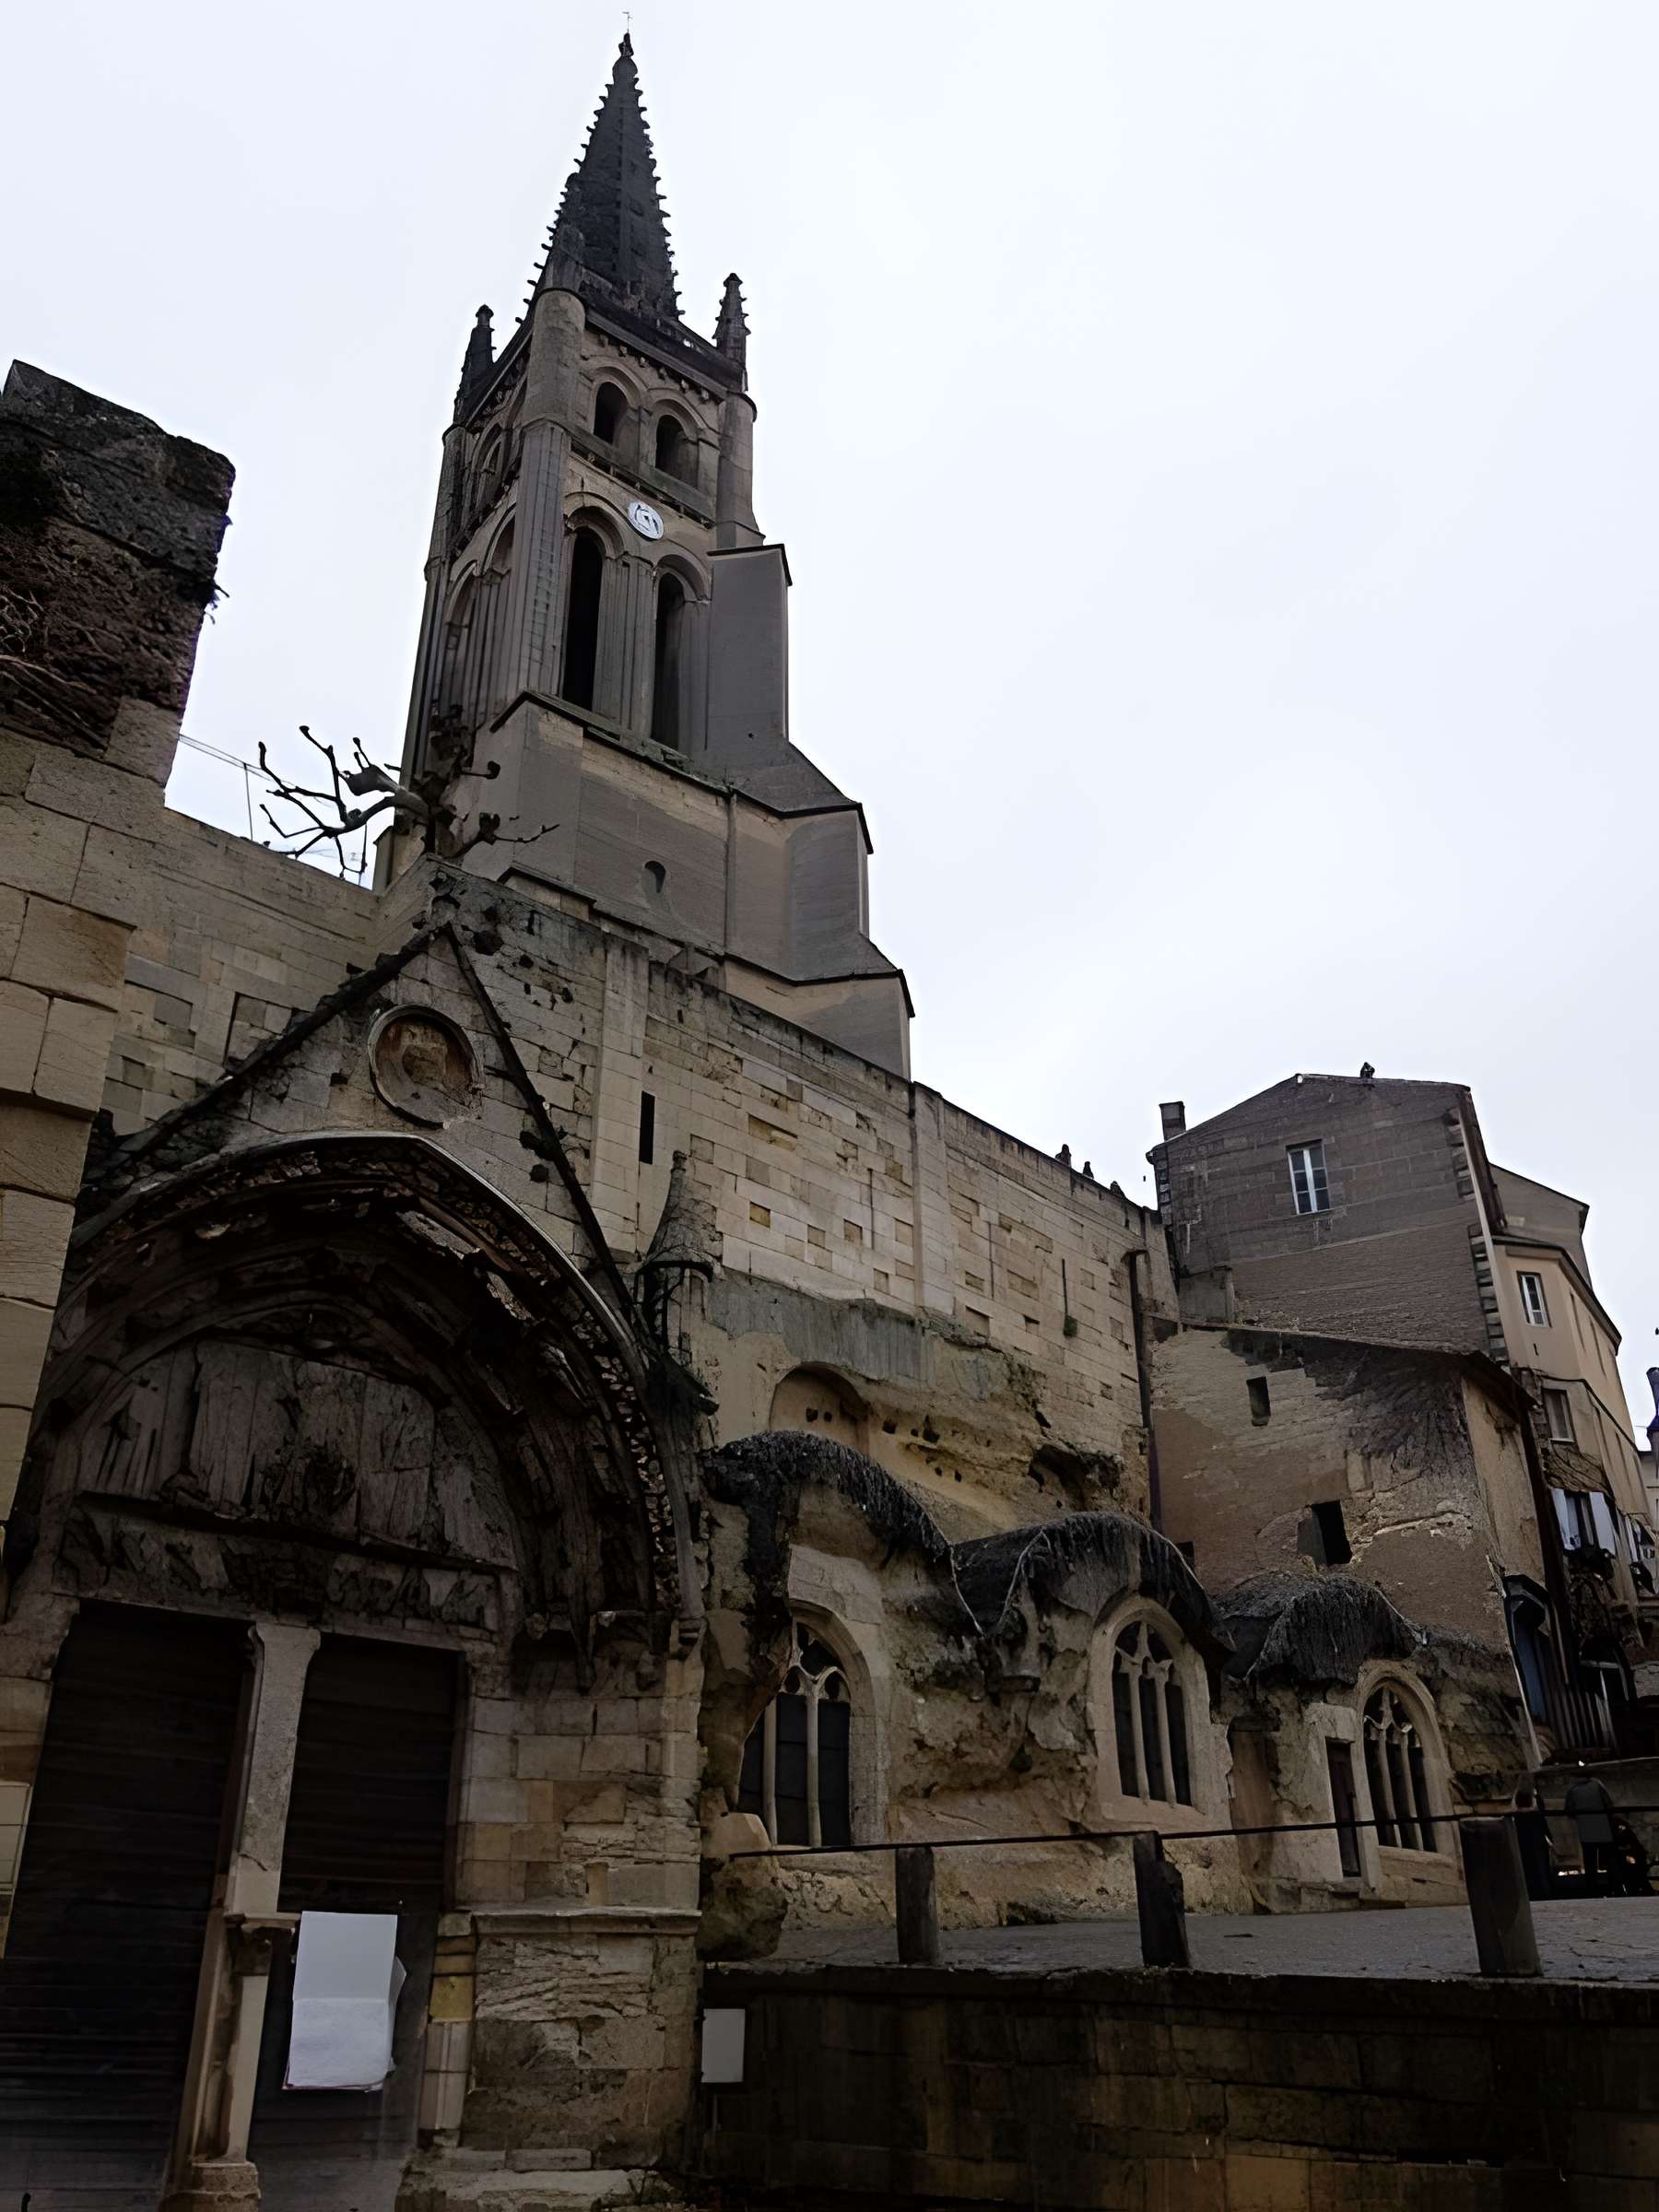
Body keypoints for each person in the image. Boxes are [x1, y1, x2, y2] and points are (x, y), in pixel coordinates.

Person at [1563, 1763, 1618, 1895]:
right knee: (1610, 1861)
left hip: (1586, 1830)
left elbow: (1569, 1811)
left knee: (1590, 1862)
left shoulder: (1572, 1791)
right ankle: (1615, 1887)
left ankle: (1593, 1890)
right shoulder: (1597, 1787)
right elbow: (1609, 1805)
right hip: (1603, 1828)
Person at [1512, 1783, 1554, 1900]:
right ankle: (1544, 1892)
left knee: (1527, 1868)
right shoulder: (1535, 1815)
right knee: (1541, 1867)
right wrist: (1550, 1839)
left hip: (1523, 1843)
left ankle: (1531, 1892)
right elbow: (1543, 1826)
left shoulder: (1516, 1816)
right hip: (1537, 1842)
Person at [1611, 1817, 1653, 1898]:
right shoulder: (1617, 1826)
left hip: (1632, 1857)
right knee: (1637, 1878)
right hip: (1630, 1858)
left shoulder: (1618, 1826)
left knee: (1637, 1877)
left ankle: (1641, 1890)